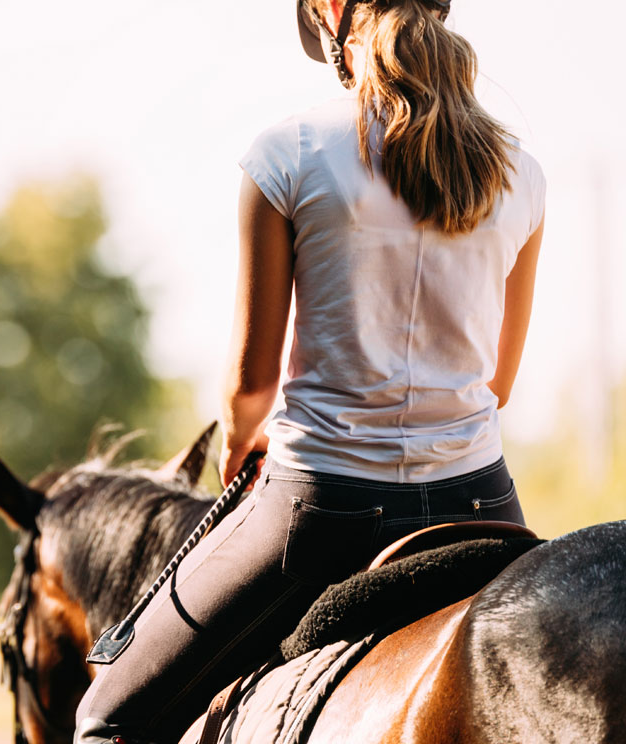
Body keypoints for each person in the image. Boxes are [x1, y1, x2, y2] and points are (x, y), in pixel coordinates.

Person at [74, 0, 546, 741]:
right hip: (481, 503)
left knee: (106, 719)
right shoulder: (523, 172)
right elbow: (498, 385)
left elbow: (251, 388)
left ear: (329, 14)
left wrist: (239, 449)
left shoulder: (286, 154)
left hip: (323, 510)